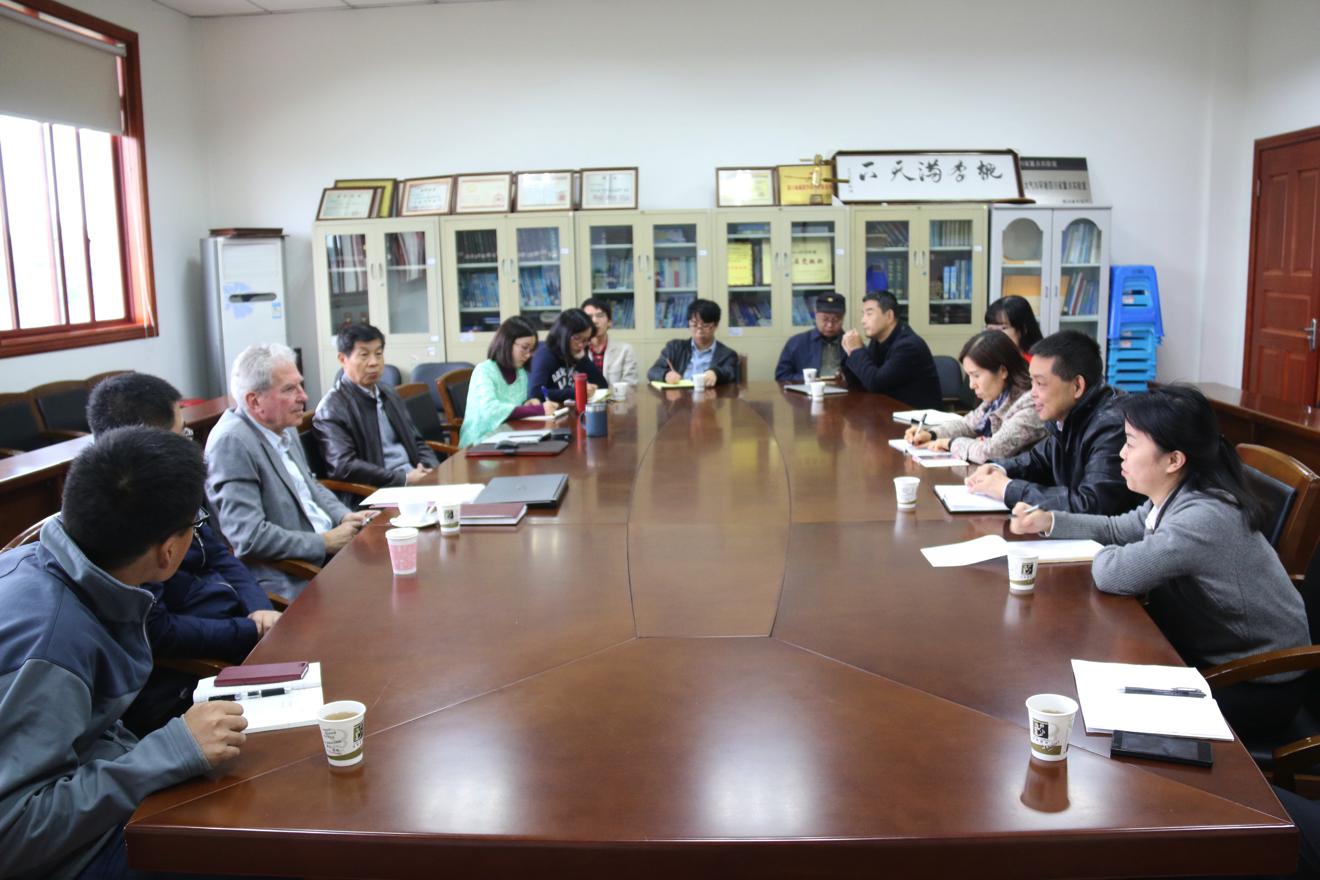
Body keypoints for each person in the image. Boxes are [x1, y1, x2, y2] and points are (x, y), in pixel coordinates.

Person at [0, 427, 246, 879]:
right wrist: (169, 751)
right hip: (64, 856)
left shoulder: (53, 568)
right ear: (168, 551)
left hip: (93, 783)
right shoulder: (53, 645)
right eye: (195, 526)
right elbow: (13, 834)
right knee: (256, 843)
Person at [1011, 384, 1309, 735]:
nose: (1121, 454)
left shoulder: (1202, 517)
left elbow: (1114, 573)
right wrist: (1051, 521)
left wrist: (1117, 553)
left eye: (1131, 443)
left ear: (1173, 460)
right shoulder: (1178, 494)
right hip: (1215, 651)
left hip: (1257, 681)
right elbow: (1119, 528)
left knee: (1114, 719)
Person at [87, 372, 279, 735]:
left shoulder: (170, 483)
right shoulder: (121, 519)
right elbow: (160, 631)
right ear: (147, 440)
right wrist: (248, 630)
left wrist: (259, 608)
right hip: (197, 675)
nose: (189, 442)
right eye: (182, 433)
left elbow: (220, 554)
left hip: (241, 628)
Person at [206, 343, 373, 601]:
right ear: (254, 401)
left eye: (300, 385)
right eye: (289, 389)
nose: (303, 397)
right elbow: (249, 537)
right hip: (294, 574)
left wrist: (344, 516)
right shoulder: (232, 443)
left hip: (331, 551)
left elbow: (310, 485)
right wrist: (324, 542)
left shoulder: (284, 425)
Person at [965, 330, 1139, 513]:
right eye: (1032, 382)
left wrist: (1007, 489)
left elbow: (1092, 504)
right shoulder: (1067, 418)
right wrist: (997, 468)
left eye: (1040, 384)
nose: (1032, 393)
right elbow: (1036, 461)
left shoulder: (1111, 426)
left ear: (1077, 386)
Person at [313, 323, 439, 492]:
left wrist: (431, 470)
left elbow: (416, 440)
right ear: (343, 359)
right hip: (375, 491)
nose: (374, 362)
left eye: (378, 354)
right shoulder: (331, 409)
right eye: (364, 355)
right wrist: (404, 479)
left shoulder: (388, 393)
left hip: (414, 480)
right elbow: (343, 466)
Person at [904, 330, 1046, 464]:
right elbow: (967, 425)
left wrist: (950, 443)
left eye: (976, 375)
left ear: (1003, 371)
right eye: (969, 376)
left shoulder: (1032, 404)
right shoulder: (998, 397)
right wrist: (931, 434)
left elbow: (991, 451)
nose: (972, 385)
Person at [460, 316, 558, 447]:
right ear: (507, 343)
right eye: (524, 348)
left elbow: (511, 407)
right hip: (479, 442)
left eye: (531, 350)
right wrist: (537, 410)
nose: (528, 355)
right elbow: (491, 410)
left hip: (508, 437)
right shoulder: (484, 370)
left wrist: (526, 405)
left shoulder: (520, 372)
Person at [839, 290, 942, 409]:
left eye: (869, 314)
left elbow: (876, 384)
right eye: (863, 314)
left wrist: (857, 351)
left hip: (917, 416)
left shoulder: (908, 346)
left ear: (889, 316)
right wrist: (850, 352)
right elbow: (862, 381)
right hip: (890, 410)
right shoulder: (878, 340)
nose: (863, 320)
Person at [646, 298, 741, 386]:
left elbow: (730, 372)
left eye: (705, 325)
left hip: (710, 397)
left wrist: (716, 373)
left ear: (716, 326)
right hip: (679, 396)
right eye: (694, 324)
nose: (699, 330)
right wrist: (666, 375)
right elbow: (653, 371)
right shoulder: (674, 347)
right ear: (688, 324)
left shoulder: (727, 354)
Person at [526, 307, 608, 406]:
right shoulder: (545, 354)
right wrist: (575, 392)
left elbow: (602, 386)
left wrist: (583, 360)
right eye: (577, 338)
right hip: (549, 412)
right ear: (563, 335)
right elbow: (536, 393)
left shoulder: (578, 352)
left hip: (569, 410)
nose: (581, 345)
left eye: (586, 340)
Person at [774, 292, 848, 383]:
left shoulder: (852, 345)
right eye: (825, 319)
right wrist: (808, 378)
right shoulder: (796, 343)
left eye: (836, 320)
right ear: (816, 315)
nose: (830, 325)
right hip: (807, 390)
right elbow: (781, 376)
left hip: (843, 391)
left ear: (843, 318)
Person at [581, 297, 639, 386]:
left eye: (600, 316)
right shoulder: (577, 351)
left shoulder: (625, 350)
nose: (594, 321)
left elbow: (630, 385)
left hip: (617, 395)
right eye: (589, 317)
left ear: (609, 322)